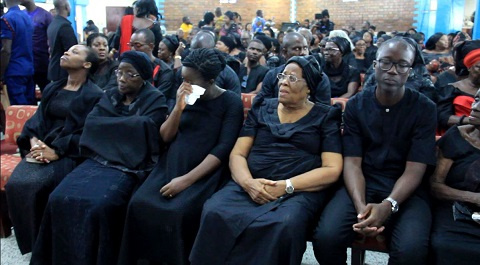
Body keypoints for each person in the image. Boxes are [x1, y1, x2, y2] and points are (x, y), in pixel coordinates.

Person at [190, 55, 343, 265]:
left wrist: (286, 186)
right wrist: (248, 183)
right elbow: (238, 154)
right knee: (214, 210)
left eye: (293, 78)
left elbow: (332, 169)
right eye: (282, 76)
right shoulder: (262, 107)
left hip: (297, 190)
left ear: (309, 88)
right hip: (250, 183)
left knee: (283, 223)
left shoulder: (325, 116)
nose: (283, 82)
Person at [30, 51, 168, 265]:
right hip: (98, 159)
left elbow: (148, 132)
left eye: (130, 74)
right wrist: (132, 126)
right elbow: (92, 124)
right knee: (58, 197)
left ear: (143, 78)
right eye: (119, 72)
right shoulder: (111, 94)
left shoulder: (155, 99)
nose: (121, 78)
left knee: (99, 206)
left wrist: (113, 127)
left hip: (129, 165)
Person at [313, 38, 437, 265]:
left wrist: (388, 205)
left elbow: (415, 169)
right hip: (364, 180)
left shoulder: (425, 108)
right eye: (386, 62)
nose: (393, 70)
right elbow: (352, 162)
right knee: (326, 238)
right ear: (375, 65)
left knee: (411, 251)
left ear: (410, 70)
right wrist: (361, 209)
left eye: (402, 65)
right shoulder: (357, 105)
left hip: (407, 188)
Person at [118, 48, 243, 265]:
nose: (184, 84)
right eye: (182, 78)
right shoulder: (186, 95)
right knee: (138, 204)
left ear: (210, 81)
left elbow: (222, 149)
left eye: (190, 81)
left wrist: (185, 181)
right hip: (173, 160)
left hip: (205, 168)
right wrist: (178, 107)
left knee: (178, 213)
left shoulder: (230, 102)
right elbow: (166, 136)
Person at [5, 44, 103, 255]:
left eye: (74, 52)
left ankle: (49, 241)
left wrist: (57, 151)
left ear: (86, 64)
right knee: (16, 184)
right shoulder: (53, 88)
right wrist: (33, 141)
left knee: (40, 185)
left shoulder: (94, 95)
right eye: (67, 50)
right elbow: (37, 121)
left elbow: (90, 132)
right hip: (40, 145)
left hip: (70, 151)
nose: (66, 52)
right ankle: (33, 242)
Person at [430, 91, 480, 265]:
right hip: (455, 211)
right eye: (477, 99)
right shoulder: (457, 135)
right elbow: (435, 186)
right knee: (445, 245)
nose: (475, 107)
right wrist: (472, 197)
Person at [259, 32, 331, 105]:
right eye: (297, 49)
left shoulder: (320, 77)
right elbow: (264, 106)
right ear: (284, 52)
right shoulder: (272, 75)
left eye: (305, 48)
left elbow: (323, 110)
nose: (303, 53)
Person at [173, 30, 241, 98]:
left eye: (202, 53)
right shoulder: (183, 71)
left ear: (212, 50)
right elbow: (172, 97)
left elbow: (234, 100)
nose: (197, 56)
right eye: (194, 52)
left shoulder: (227, 74)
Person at [437, 40, 480, 132]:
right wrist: (471, 120)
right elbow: (442, 117)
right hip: (458, 137)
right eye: (479, 67)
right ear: (469, 67)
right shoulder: (452, 89)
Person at [1, 0, 35, 105]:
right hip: (29, 68)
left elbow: (6, 50)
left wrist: (0, 73)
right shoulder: (27, 17)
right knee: (30, 107)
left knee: (18, 109)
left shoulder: (6, 19)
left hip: (14, 71)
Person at [129, 29, 174, 98]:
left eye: (137, 46)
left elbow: (158, 98)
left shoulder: (164, 71)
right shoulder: (128, 66)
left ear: (151, 46)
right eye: (131, 45)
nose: (133, 49)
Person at [20, 0, 52, 92]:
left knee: (46, 92)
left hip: (42, 63)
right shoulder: (21, 15)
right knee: (28, 95)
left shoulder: (45, 15)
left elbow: (51, 39)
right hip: (26, 63)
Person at [47, 0, 77, 82]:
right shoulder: (65, 26)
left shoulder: (52, 24)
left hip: (53, 69)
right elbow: (73, 51)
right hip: (63, 72)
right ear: (67, 7)